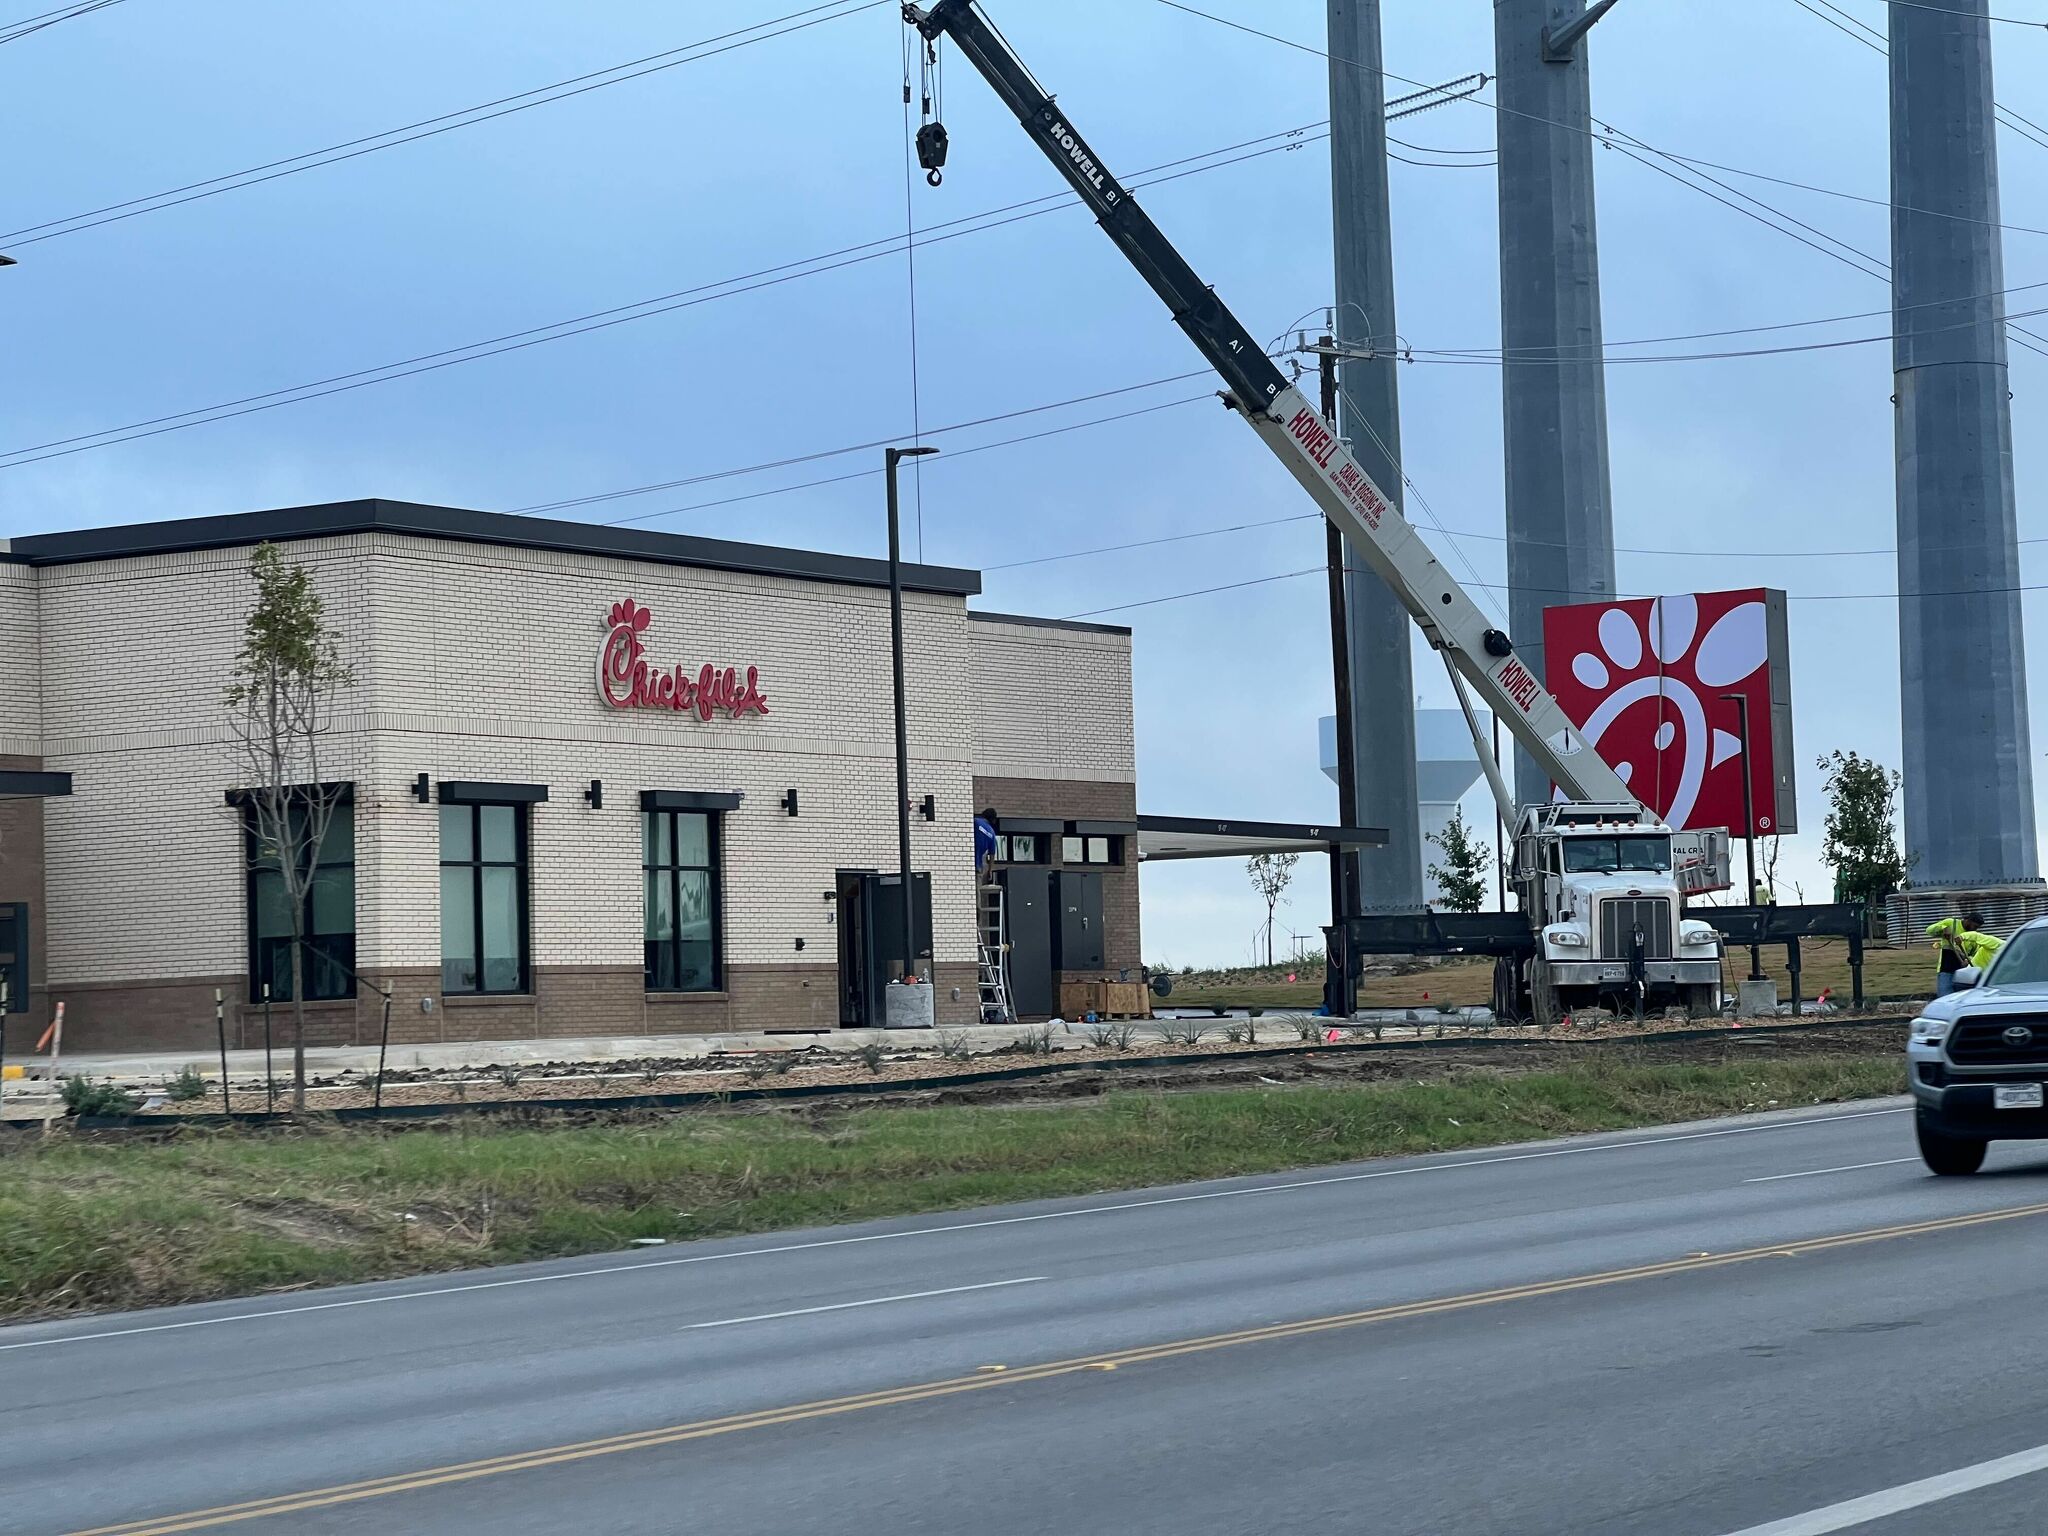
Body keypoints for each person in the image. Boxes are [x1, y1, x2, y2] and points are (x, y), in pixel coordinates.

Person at [1928, 912, 2004, 995]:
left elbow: (1974, 954)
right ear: (1968, 921)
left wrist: (1968, 960)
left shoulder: (1972, 936)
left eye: (1977, 928)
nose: (1975, 929)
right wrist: (1943, 928)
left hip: (1963, 971)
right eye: (1975, 926)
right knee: (1944, 996)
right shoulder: (1951, 923)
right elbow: (1929, 930)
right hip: (1946, 969)